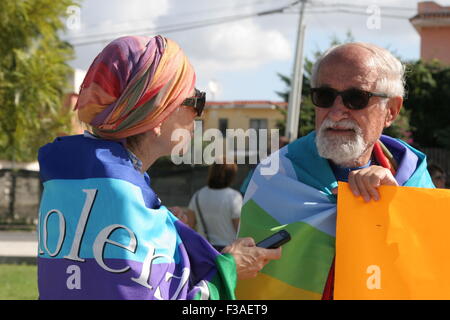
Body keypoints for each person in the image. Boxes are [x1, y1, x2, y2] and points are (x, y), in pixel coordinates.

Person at [36, 35, 281, 300]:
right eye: (194, 101)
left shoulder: (74, 178)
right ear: (157, 113)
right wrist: (229, 269)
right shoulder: (122, 197)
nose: (199, 115)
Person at [236, 42, 435, 300]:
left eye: (356, 98)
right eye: (325, 96)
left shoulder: (411, 179)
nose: (337, 112)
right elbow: (246, 282)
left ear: (391, 111)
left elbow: (431, 268)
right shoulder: (276, 174)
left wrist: (397, 207)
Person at [184, 161, 242, 252]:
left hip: (204, 249)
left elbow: (189, 225)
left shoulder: (198, 195)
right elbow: (239, 229)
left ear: (211, 173)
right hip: (228, 251)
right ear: (231, 176)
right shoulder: (234, 197)